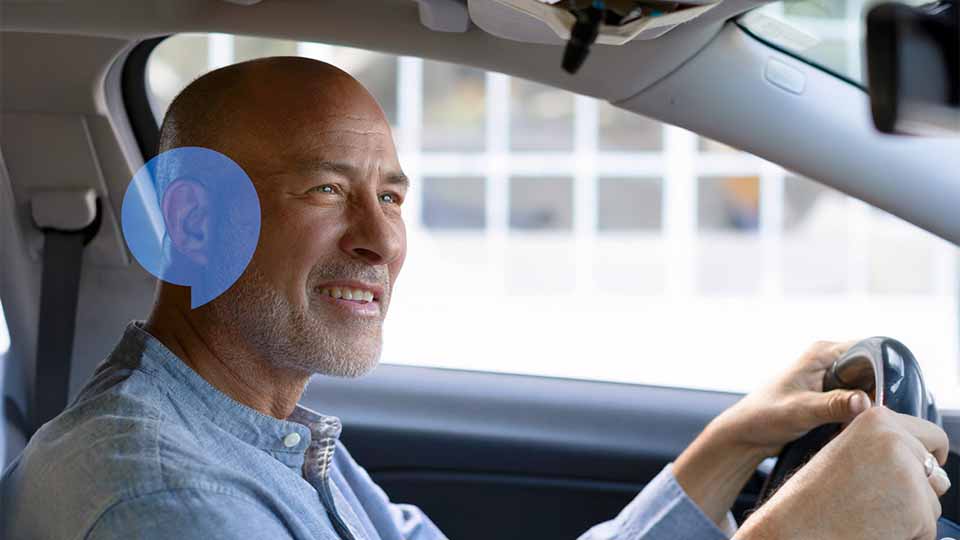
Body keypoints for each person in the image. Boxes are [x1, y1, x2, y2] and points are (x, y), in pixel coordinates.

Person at [1, 57, 951, 540]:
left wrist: (726, 449)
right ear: (194, 224)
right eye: (327, 191)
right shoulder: (158, 495)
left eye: (393, 196)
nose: (379, 241)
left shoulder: (264, 440)